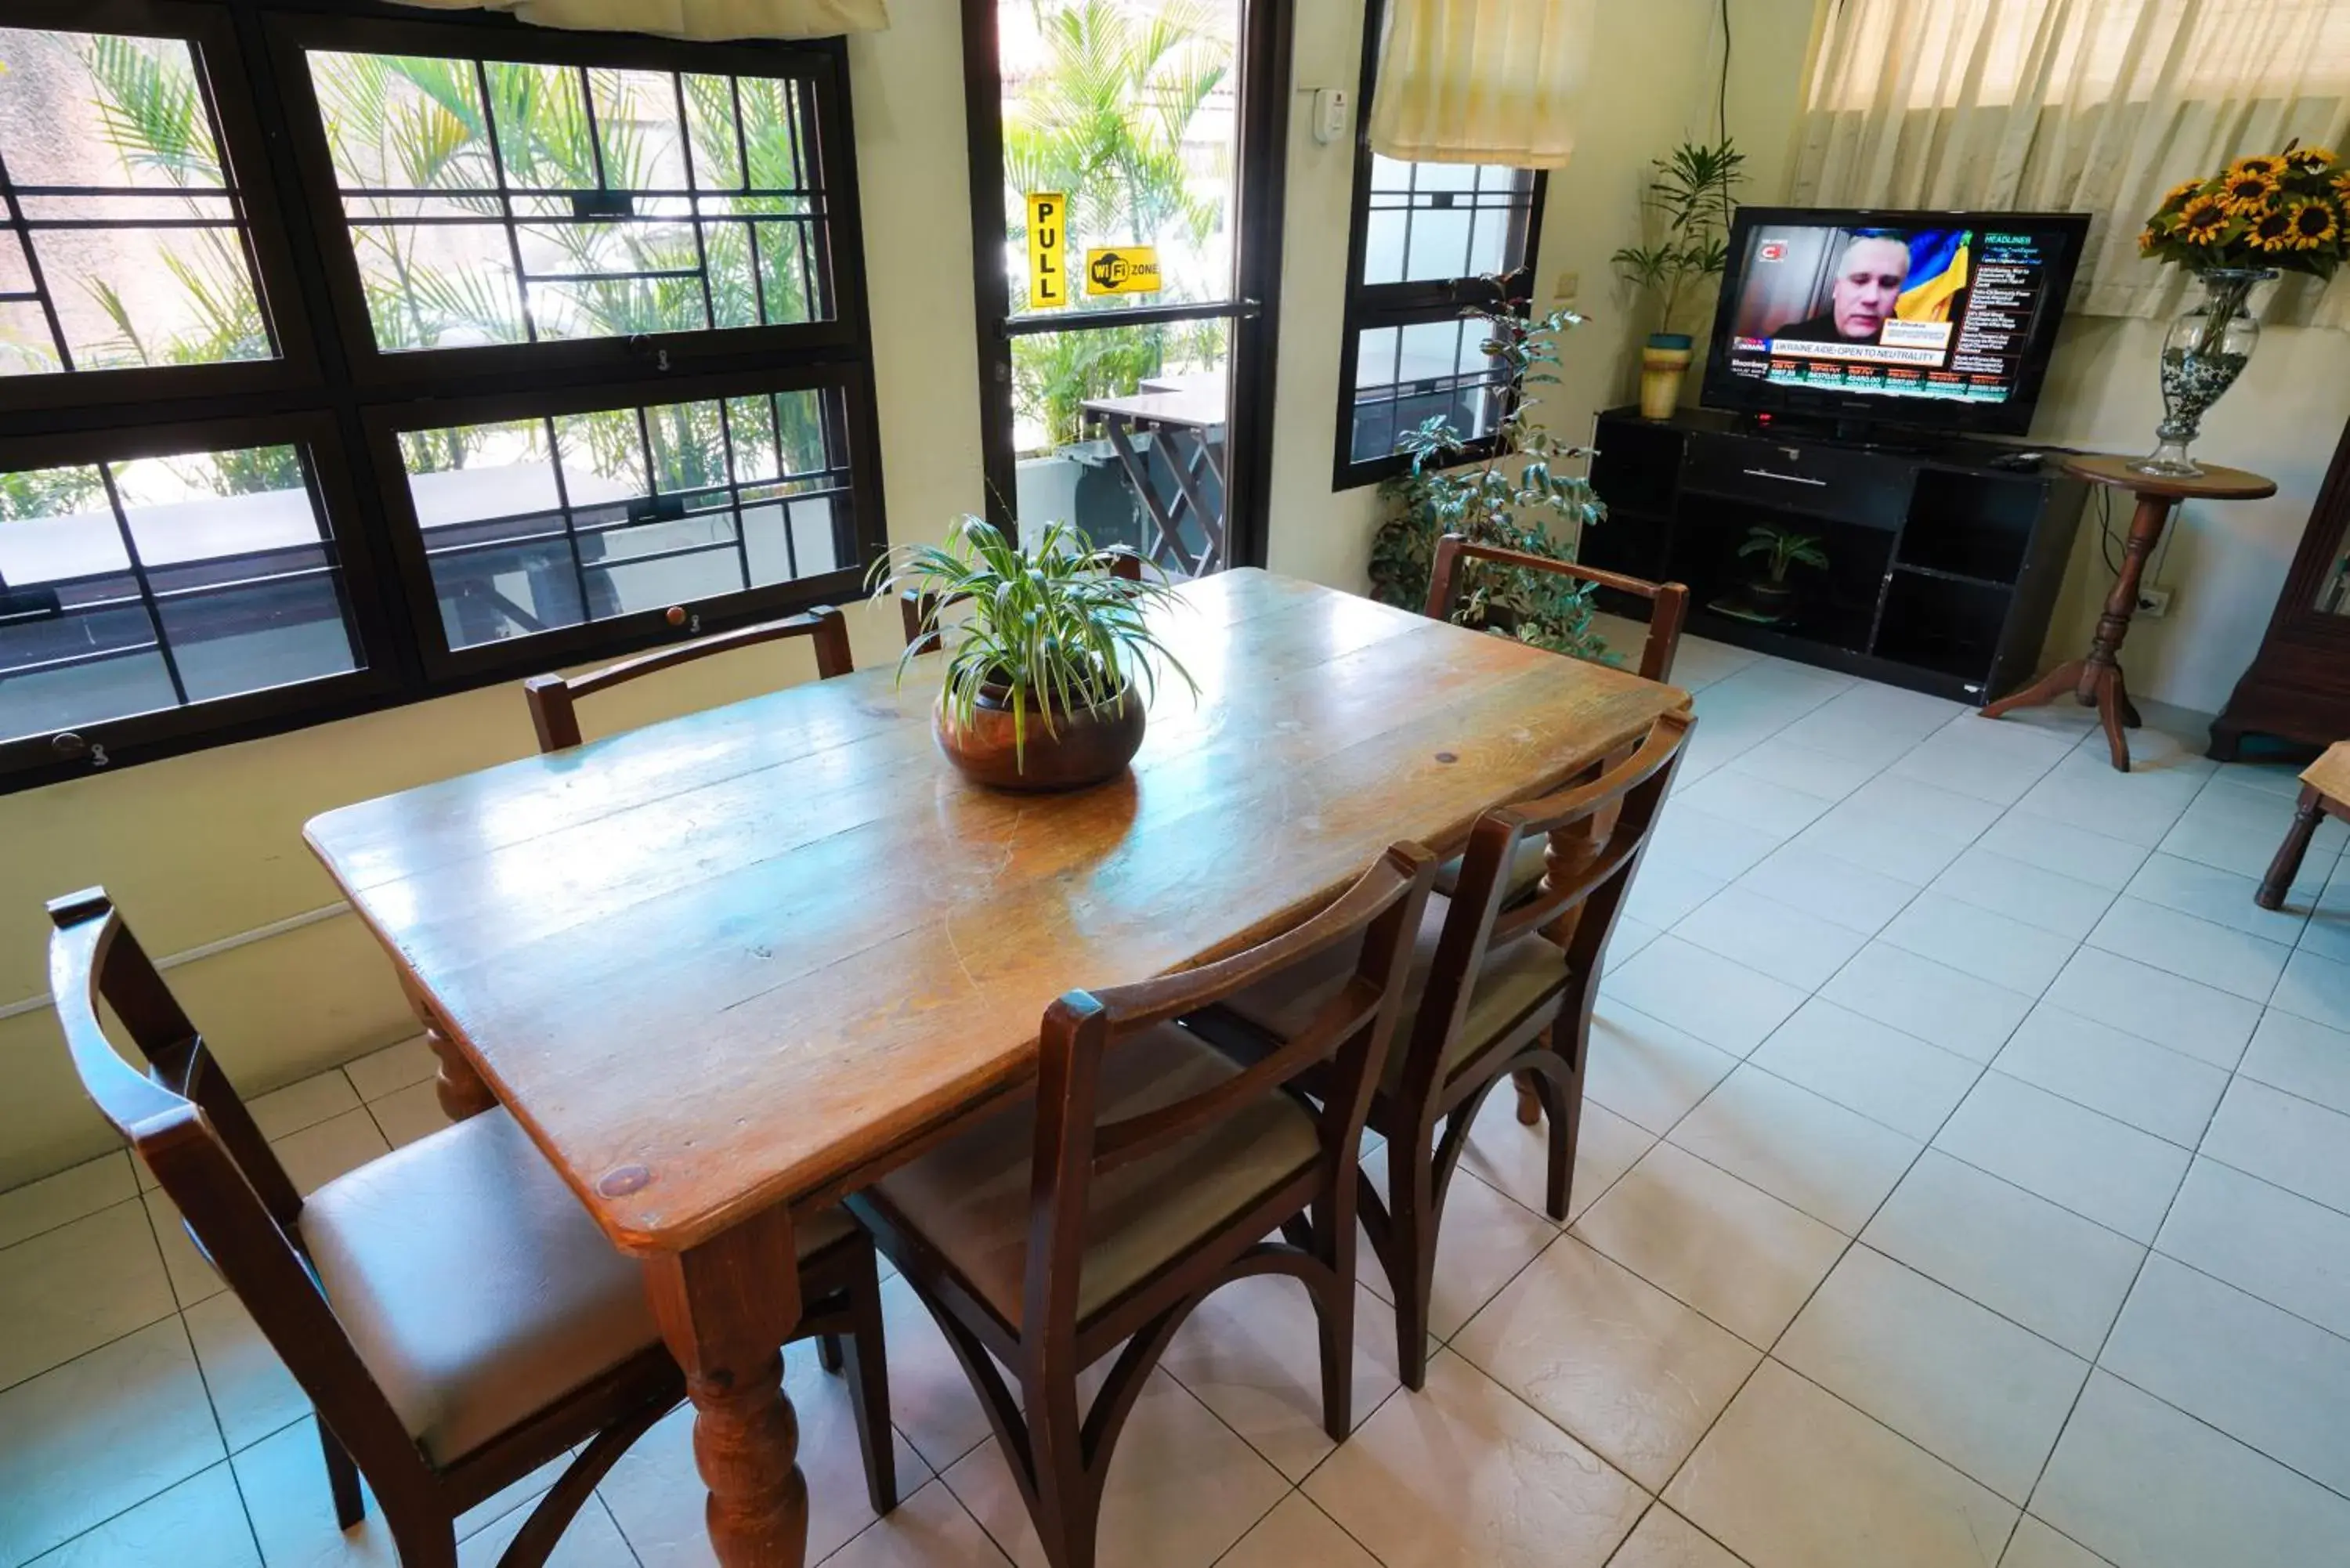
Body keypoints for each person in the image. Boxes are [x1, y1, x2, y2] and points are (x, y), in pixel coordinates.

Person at [1773, 233, 1911, 344]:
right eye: (1859, 281)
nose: (1871, 298)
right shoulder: (1789, 340)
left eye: (1888, 284)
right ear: (1836, 287)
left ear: (1899, 293)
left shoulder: (1915, 349)